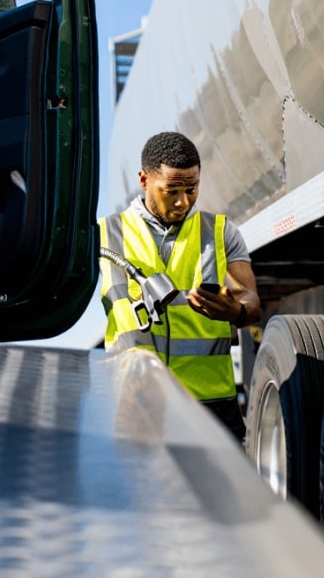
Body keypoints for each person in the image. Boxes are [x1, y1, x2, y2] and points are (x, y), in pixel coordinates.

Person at [98, 131, 261, 442]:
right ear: (144, 180)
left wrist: (237, 311)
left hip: (211, 405)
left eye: (191, 189)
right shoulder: (105, 235)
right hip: (136, 404)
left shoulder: (220, 232)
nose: (183, 201)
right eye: (171, 190)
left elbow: (252, 303)